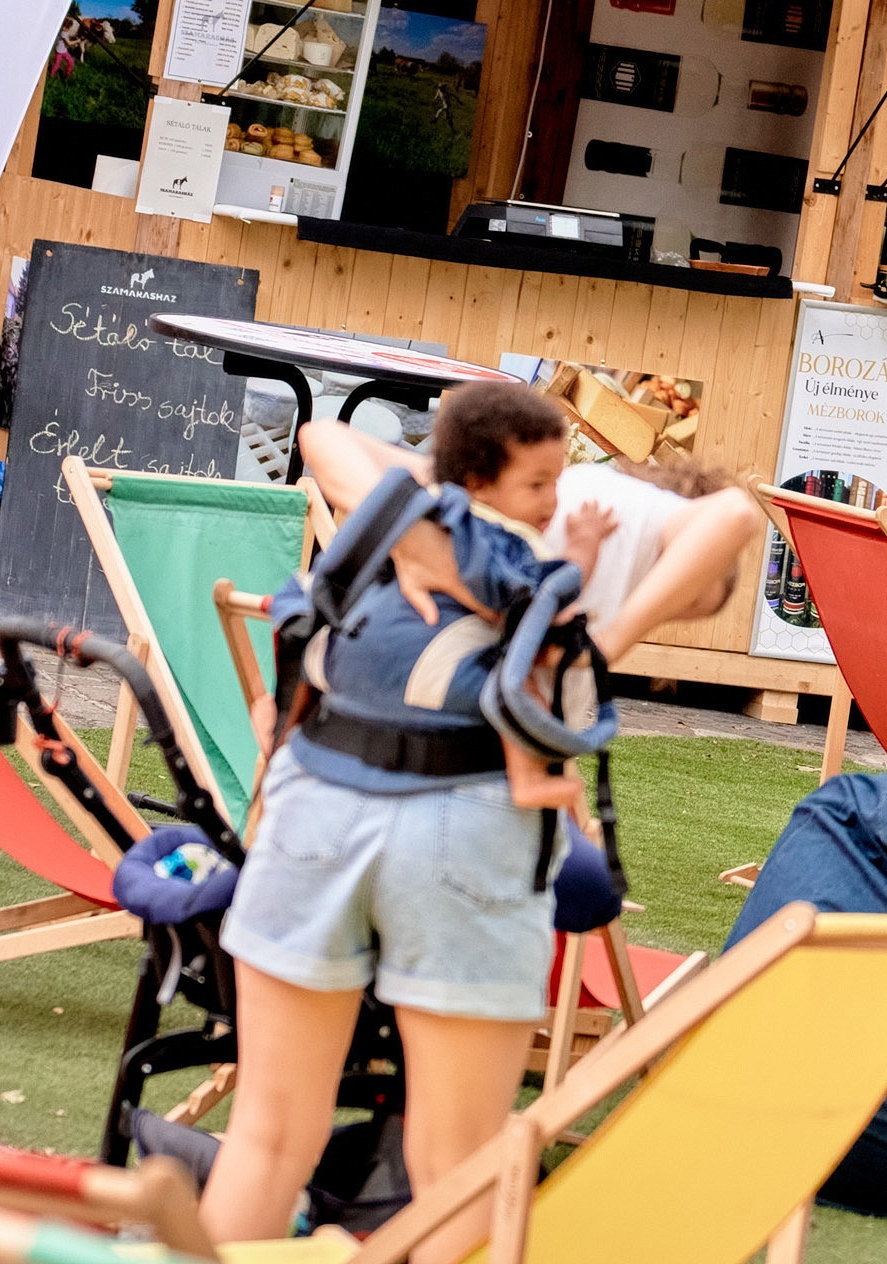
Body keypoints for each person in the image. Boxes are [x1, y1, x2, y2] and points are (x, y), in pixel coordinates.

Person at [201, 385, 761, 1258]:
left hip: (321, 789)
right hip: (465, 807)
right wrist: (602, 649)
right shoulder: (615, 509)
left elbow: (321, 436)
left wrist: (417, 537)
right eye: (703, 598)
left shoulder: (462, 495)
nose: (692, 605)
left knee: (267, 1136)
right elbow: (735, 516)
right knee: (458, 1164)